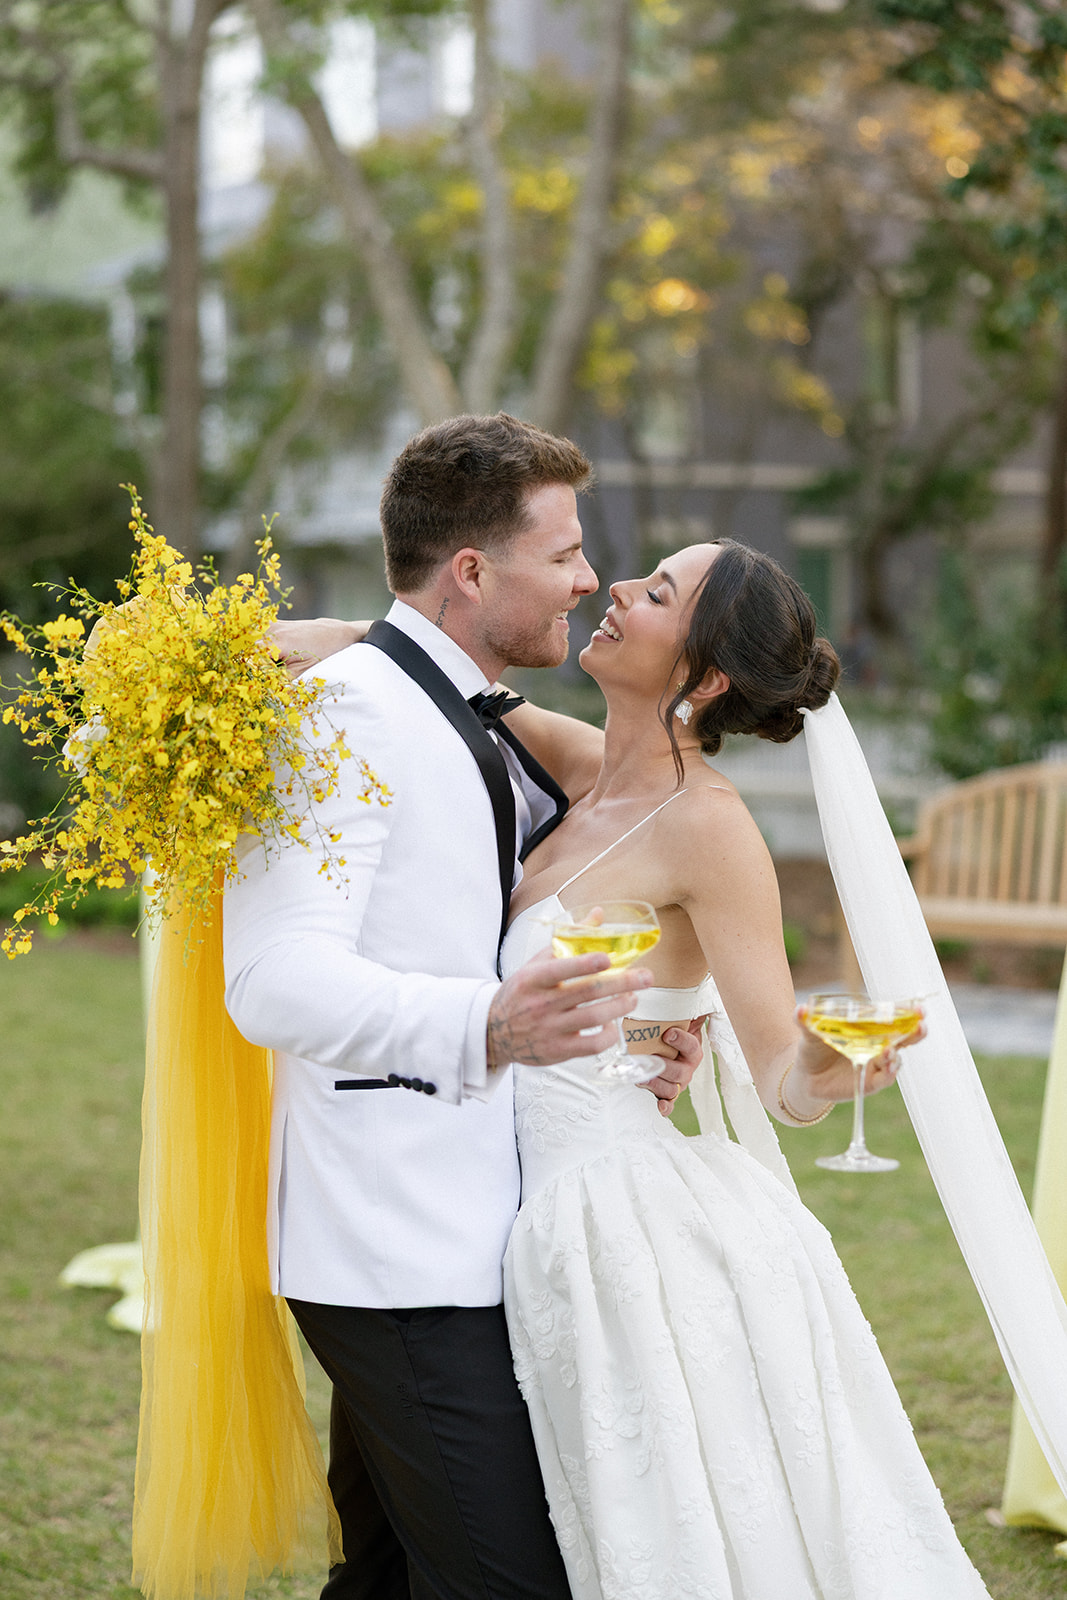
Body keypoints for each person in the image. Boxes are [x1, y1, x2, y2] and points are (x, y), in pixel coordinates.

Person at [222, 413, 704, 1600]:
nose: (587, 579)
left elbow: (480, 927)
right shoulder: (348, 714)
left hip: (469, 1229)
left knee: (385, 1576)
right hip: (392, 1241)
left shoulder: (474, 719)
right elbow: (274, 980)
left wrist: (633, 1031)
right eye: (566, 554)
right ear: (474, 571)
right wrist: (489, 1023)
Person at [489, 538, 992, 1598]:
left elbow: (780, 1083)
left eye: (655, 591)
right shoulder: (580, 766)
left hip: (619, 1223)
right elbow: (420, 674)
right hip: (531, 1201)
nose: (615, 590)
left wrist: (830, 1063)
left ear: (705, 677)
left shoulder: (712, 828)